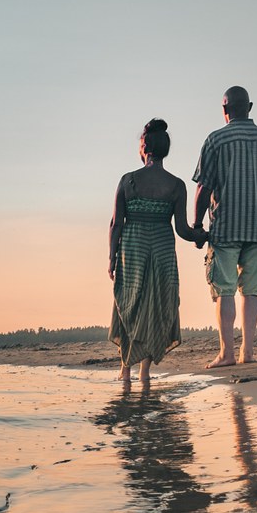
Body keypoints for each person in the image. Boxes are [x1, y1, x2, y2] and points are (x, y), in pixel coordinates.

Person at [191, 85, 257, 367]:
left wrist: (197, 224)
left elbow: (203, 186)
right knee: (253, 291)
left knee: (225, 291)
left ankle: (227, 354)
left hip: (225, 228)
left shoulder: (216, 140)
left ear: (224, 109)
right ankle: (248, 353)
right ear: (250, 107)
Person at [109, 118, 205, 390]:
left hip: (133, 249)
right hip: (162, 249)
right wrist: (204, 236)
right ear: (165, 150)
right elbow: (184, 230)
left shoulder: (128, 180)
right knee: (156, 306)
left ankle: (125, 371)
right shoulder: (176, 185)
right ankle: (145, 373)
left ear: (144, 148)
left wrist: (111, 258)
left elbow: (116, 223)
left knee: (130, 305)